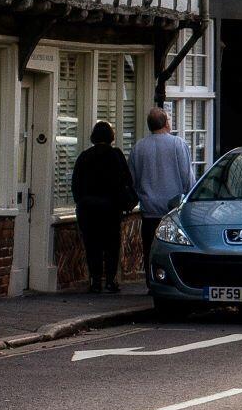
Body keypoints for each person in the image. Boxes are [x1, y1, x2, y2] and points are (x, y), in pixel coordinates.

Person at [70, 119, 135, 293]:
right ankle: (110, 281)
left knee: (92, 245)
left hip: (88, 209)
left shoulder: (84, 156)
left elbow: (75, 183)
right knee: (111, 245)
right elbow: (126, 181)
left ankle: (95, 280)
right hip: (110, 208)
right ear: (111, 137)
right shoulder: (116, 155)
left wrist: (81, 202)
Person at [130, 106, 195, 264]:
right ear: (166, 123)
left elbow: (133, 179)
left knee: (150, 253)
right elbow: (188, 179)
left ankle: (151, 282)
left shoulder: (138, 147)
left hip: (149, 211)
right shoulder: (178, 144)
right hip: (173, 212)